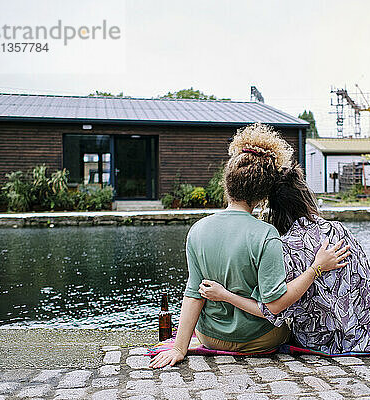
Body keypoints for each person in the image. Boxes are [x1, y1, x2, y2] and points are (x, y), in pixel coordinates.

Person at [150, 124, 350, 369]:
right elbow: (275, 305)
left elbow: (194, 294)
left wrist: (180, 348)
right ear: (263, 196)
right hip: (260, 340)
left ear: (227, 183)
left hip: (210, 337)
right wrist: (315, 268)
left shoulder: (197, 230)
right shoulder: (267, 235)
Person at [199, 164, 370, 354]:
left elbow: (271, 309)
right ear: (306, 198)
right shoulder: (339, 230)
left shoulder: (283, 247)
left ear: (275, 210)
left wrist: (225, 295)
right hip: (359, 332)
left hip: (317, 340)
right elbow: (365, 282)